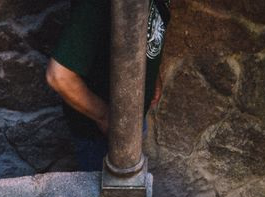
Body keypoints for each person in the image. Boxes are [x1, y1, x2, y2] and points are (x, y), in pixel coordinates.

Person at [46, 0, 171, 172]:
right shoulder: (98, 4)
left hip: (130, 120)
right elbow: (59, 76)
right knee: (113, 193)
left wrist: (152, 73)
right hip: (101, 137)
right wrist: (106, 117)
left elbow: (149, 25)